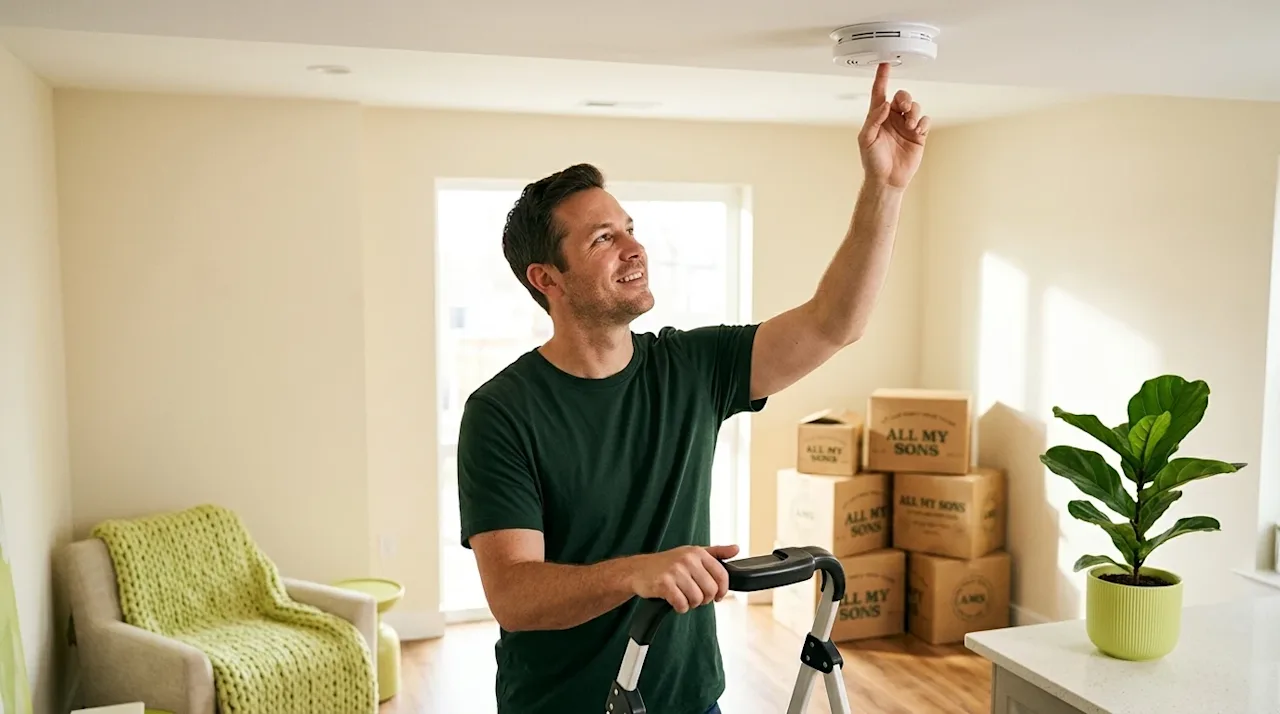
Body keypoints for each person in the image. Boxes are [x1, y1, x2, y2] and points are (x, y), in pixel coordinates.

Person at [456, 62, 929, 714]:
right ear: (547, 279)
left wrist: (886, 186)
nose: (634, 249)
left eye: (629, 228)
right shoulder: (502, 411)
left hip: (689, 698)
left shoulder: (690, 365)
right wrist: (637, 572)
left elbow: (834, 323)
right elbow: (514, 595)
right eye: (603, 239)